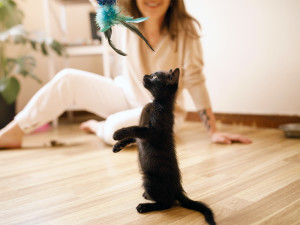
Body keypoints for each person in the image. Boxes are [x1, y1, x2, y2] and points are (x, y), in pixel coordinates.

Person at [0, 0, 252, 149]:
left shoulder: (185, 30)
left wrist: (213, 131)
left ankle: (99, 126)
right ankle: (14, 132)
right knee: (67, 78)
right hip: (124, 94)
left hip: (161, 113)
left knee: (116, 129)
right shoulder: (121, 15)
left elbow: (195, 80)